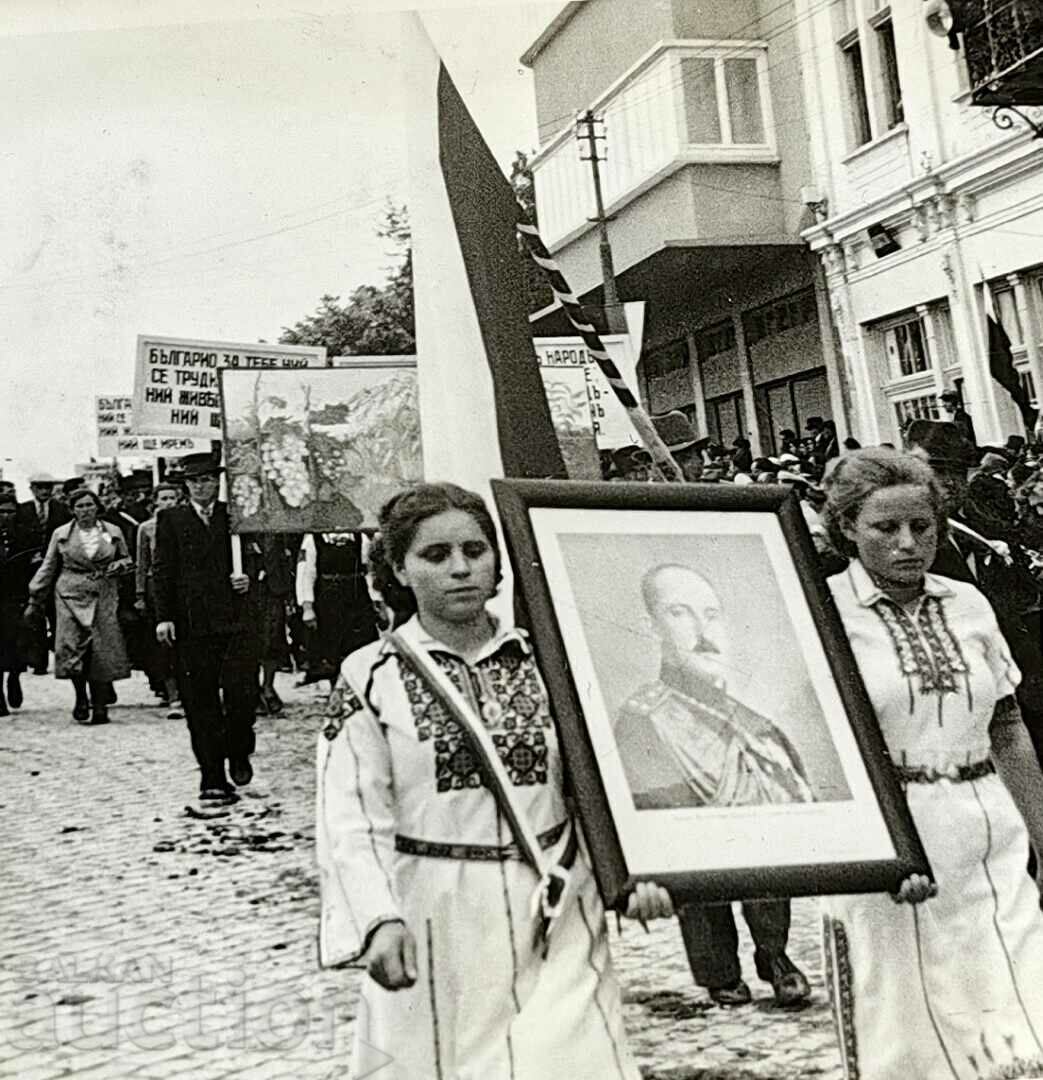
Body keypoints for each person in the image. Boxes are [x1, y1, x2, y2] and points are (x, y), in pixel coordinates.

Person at [316, 482, 673, 1079]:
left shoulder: (552, 660)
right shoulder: (370, 675)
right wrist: (377, 919)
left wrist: (637, 871)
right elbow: (348, 815)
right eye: (435, 556)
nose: (460, 569)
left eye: (474, 551)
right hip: (436, 913)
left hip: (558, 904)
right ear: (399, 570)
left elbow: (606, 781)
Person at [821, 447, 1043, 1080]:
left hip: (988, 838)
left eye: (922, 526)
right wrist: (886, 850)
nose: (907, 543)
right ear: (847, 528)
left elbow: (1007, 728)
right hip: (891, 844)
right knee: (908, 1035)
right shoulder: (824, 612)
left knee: (1023, 1018)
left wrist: (1042, 836)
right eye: (885, 527)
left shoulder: (968, 603)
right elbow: (825, 752)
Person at [614, 564, 813, 1007]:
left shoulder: (752, 722)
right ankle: (719, 971)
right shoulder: (643, 717)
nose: (703, 631)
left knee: (765, 833)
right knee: (692, 851)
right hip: (690, 841)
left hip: (752, 838)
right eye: (680, 613)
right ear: (652, 626)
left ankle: (774, 954)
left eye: (711, 614)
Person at [153, 453, 258, 803]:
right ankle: (212, 776)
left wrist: (249, 577)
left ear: (218, 482)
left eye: (208, 479)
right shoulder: (171, 519)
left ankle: (239, 748)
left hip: (237, 621)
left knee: (242, 695)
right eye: (195, 481)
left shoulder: (236, 516)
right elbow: (162, 571)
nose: (201, 486)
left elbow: (260, 557)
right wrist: (164, 616)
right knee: (200, 702)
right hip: (193, 623)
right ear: (186, 485)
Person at [24, 489, 132, 725]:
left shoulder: (112, 531)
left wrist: (119, 566)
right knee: (73, 647)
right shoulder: (61, 534)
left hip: (104, 593)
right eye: (80, 506)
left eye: (89, 505)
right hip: (70, 594)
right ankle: (81, 696)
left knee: (101, 649)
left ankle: (100, 704)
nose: (85, 510)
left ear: (97, 507)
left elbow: (126, 558)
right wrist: (35, 597)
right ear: (72, 510)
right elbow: (49, 566)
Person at [296, 531, 377, 689]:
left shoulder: (360, 538)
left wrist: (376, 599)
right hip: (328, 602)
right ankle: (337, 691)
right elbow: (306, 574)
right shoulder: (313, 539)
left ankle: (359, 690)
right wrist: (307, 607)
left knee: (360, 646)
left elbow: (369, 571)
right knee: (332, 650)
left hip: (357, 599)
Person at [16, 472, 72, 674]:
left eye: (47, 487)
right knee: (35, 616)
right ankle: (39, 661)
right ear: (32, 489)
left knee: (57, 616)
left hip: (56, 570)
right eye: (39, 487)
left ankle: (62, 658)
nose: (44, 491)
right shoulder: (22, 510)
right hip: (30, 571)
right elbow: (17, 539)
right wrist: (28, 556)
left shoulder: (62, 510)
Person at [135, 482, 182, 713]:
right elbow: (141, 563)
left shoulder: (185, 523)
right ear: (155, 502)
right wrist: (140, 594)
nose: (168, 502)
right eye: (163, 498)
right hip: (157, 588)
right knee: (164, 642)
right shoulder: (147, 528)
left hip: (183, 586)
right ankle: (172, 693)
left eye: (172, 498)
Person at [0, 493, 36, 715]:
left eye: (10, 512)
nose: (6, 516)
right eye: (1, 512)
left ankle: (14, 677)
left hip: (17, 597)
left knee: (17, 643)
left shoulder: (26, 537)